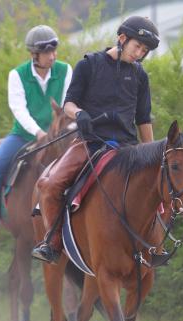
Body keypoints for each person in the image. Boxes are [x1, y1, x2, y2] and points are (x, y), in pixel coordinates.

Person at [32, 16, 160, 264]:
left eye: (145, 51)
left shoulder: (140, 76)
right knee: (49, 186)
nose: (140, 54)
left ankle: (154, 246)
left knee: (160, 184)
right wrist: (79, 114)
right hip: (89, 143)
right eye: (138, 47)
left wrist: (150, 153)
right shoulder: (89, 65)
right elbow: (69, 103)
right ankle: (53, 242)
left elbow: (144, 119)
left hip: (126, 148)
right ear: (122, 39)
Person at [0, 25, 72, 236]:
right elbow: (18, 109)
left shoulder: (65, 70)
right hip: (24, 135)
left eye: (54, 51)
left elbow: (66, 104)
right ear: (34, 54)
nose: (52, 56)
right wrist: (38, 132)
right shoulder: (17, 75)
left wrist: (56, 132)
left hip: (57, 135)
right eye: (47, 52)